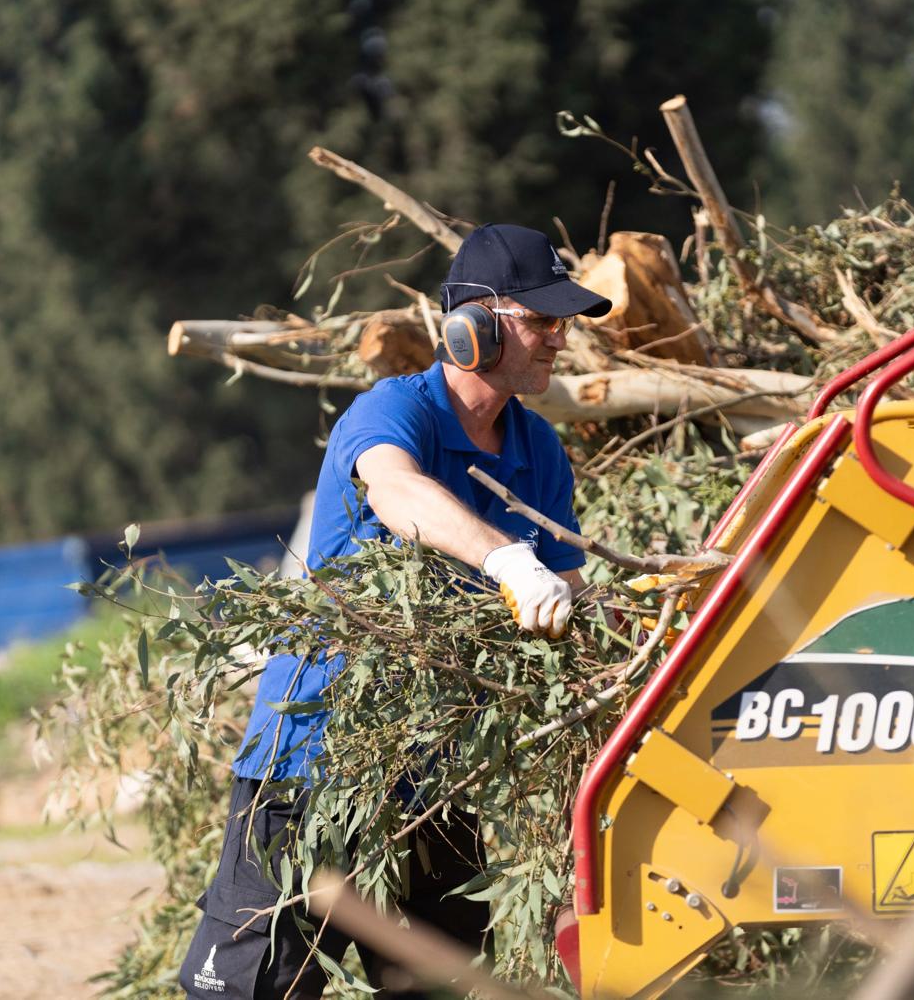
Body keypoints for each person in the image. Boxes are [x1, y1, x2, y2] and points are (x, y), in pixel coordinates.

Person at [180, 223, 613, 999]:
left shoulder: (539, 451)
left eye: (564, 322)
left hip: (431, 780)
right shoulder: (393, 412)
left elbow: (571, 590)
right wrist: (507, 558)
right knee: (250, 992)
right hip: (311, 763)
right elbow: (397, 491)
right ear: (472, 326)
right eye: (542, 320)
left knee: (444, 986)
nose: (559, 338)